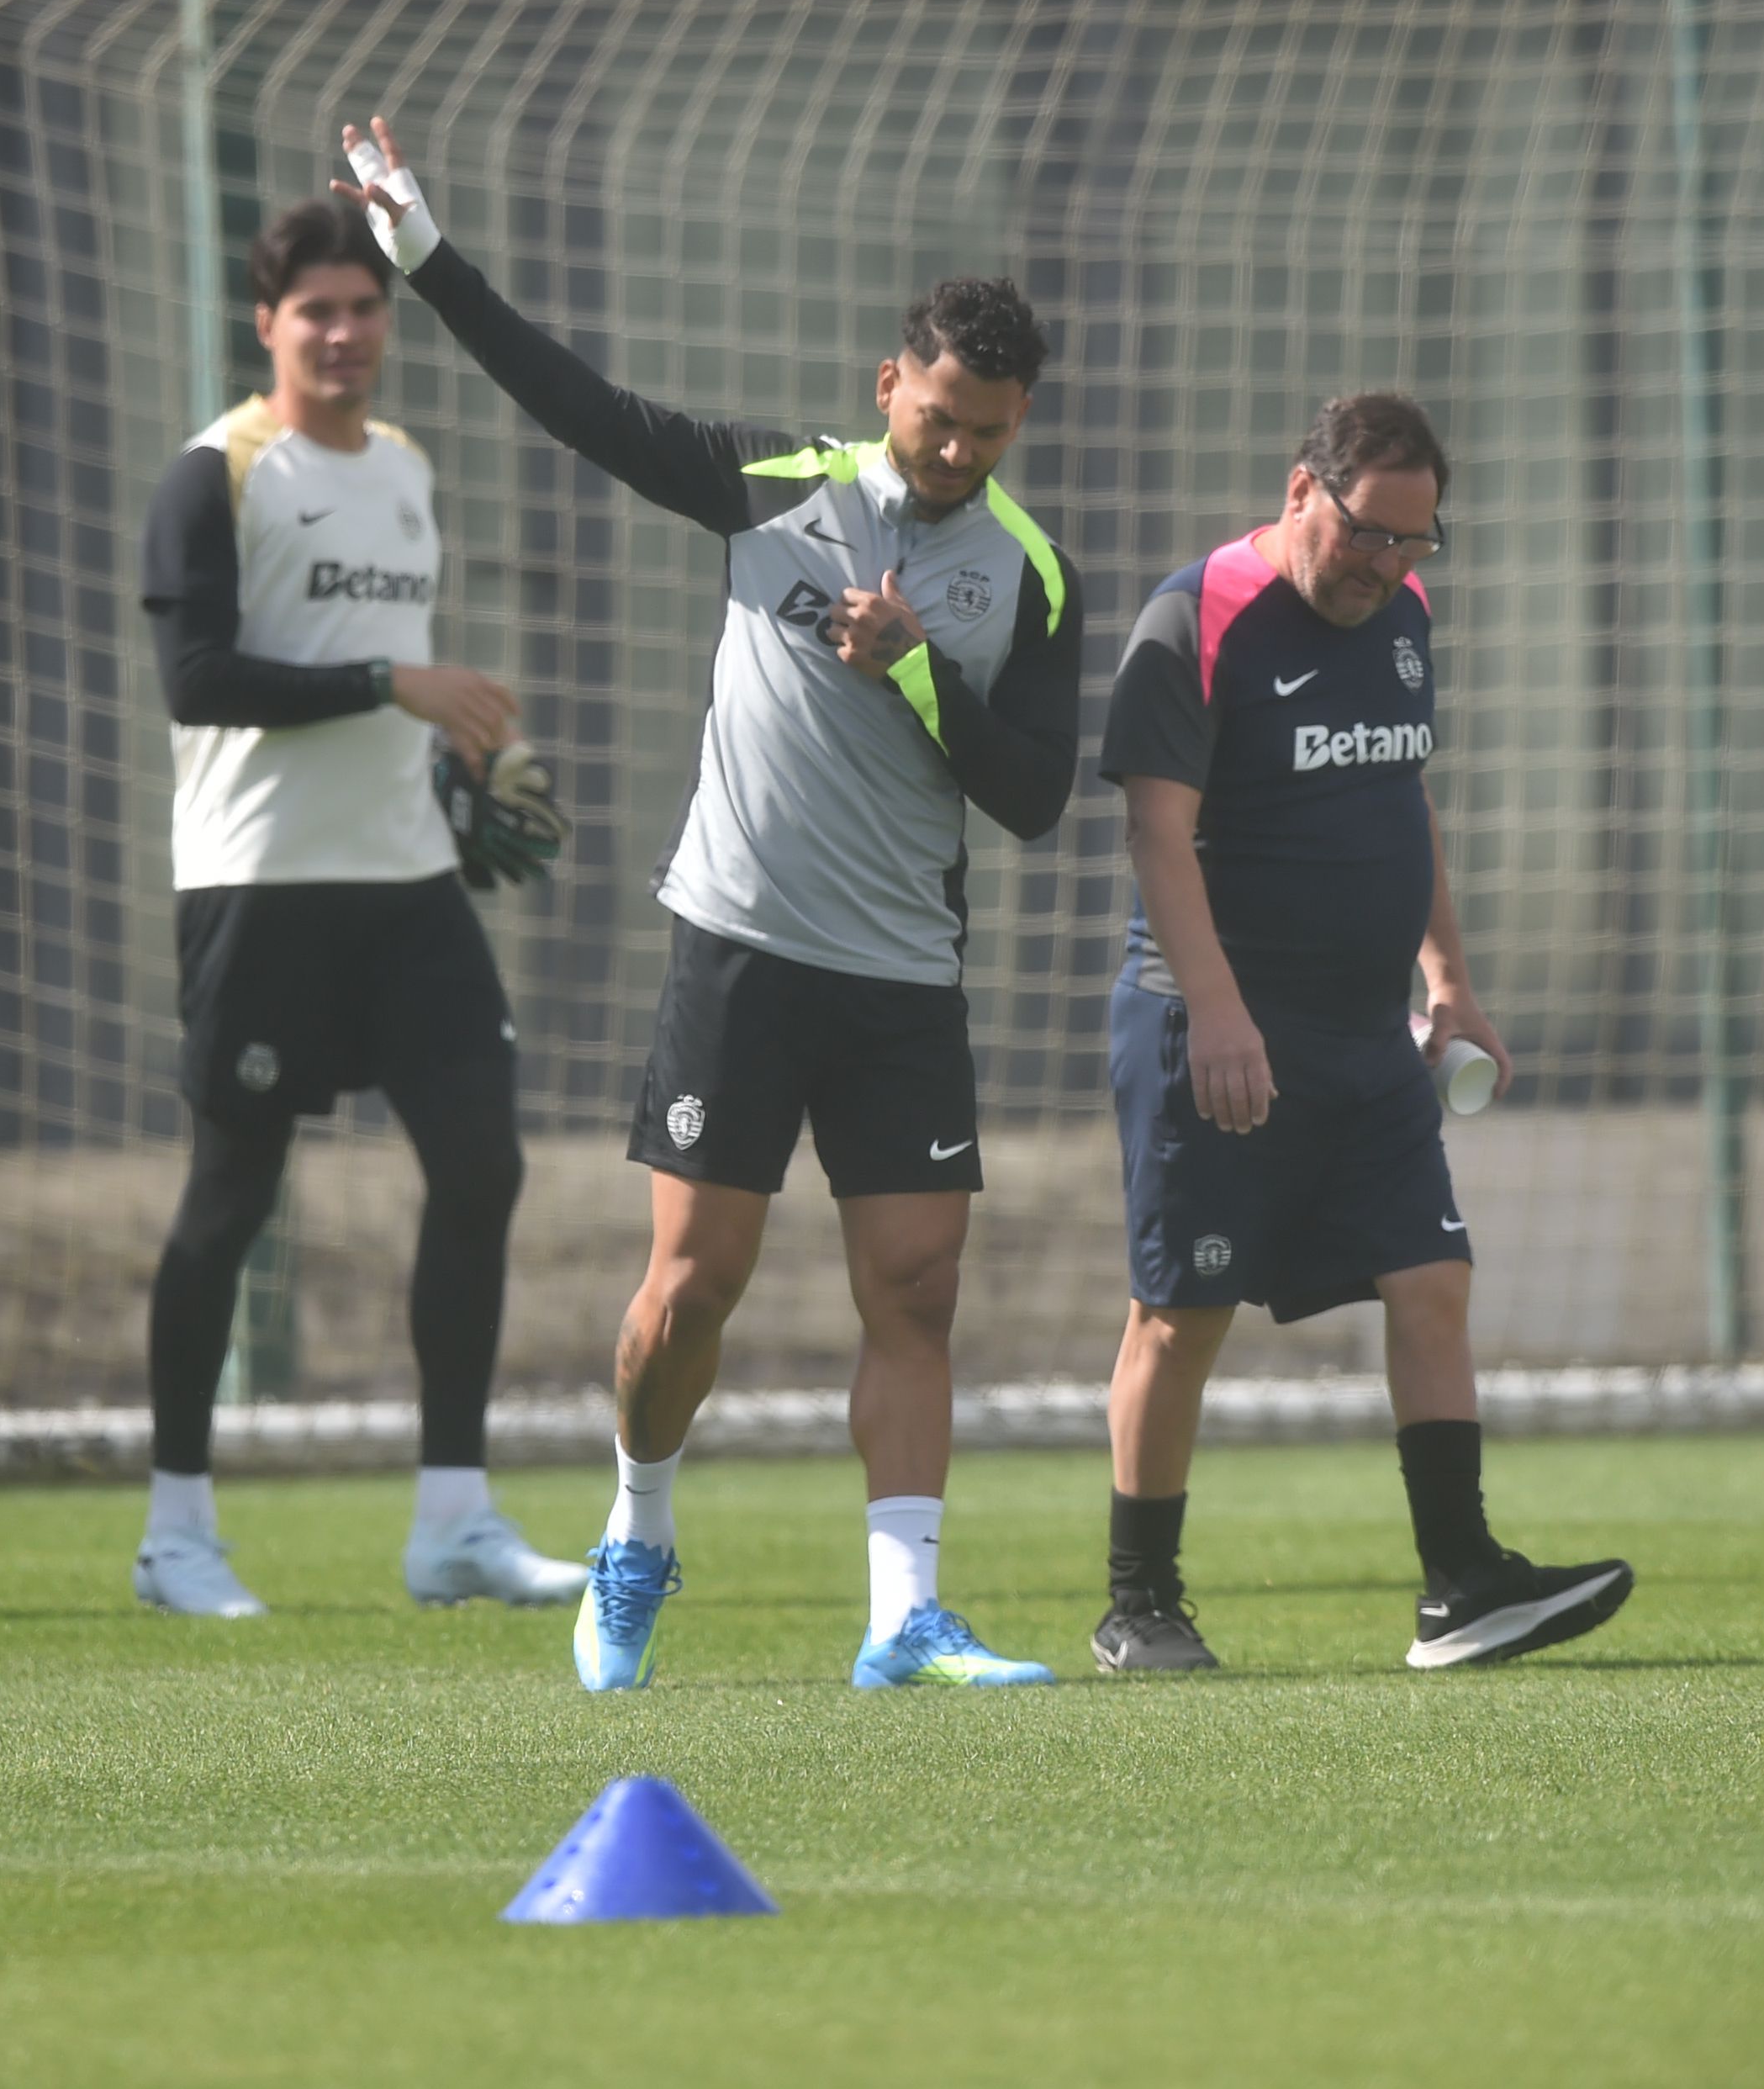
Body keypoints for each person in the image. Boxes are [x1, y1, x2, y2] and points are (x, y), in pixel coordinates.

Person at [336, 117, 1080, 1691]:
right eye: (941, 420)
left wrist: (921, 672)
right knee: (689, 1294)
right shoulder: (769, 486)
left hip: (903, 976)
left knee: (917, 1290)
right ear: (890, 386)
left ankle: (902, 1617)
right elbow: (576, 404)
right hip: (741, 948)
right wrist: (428, 260)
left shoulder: (1031, 575)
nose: (960, 454)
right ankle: (637, 1532)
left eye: (991, 434)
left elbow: (1033, 796)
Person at [1090, 394, 1633, 1674]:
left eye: (1414, 542)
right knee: (1183, 1314)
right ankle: (1138, 1605)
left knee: (1432, 1279)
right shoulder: (1194, 617)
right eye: (1368, 534)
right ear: (1302, 493)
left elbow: (1403, 797)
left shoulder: (1404, 614)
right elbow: (1158, 835)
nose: (1386, 565)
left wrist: (1449, 980)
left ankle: (1462, 1584)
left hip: (1365, 1037)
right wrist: (1218, 1009)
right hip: (1212, 1033)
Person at [129, 198, 590, 1618]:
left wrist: (454, 762)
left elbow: (386, 674)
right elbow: (199, 682)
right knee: (230, 1199)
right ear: (265, 324)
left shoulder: (403, 467)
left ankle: (453, 1521)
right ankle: (177, 1534)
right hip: (259, 887)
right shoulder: (216, 474)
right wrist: (396, 687)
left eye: (365, 307)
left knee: (482, 1167)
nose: (344, 332)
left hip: (406, 885)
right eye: (316, 310)